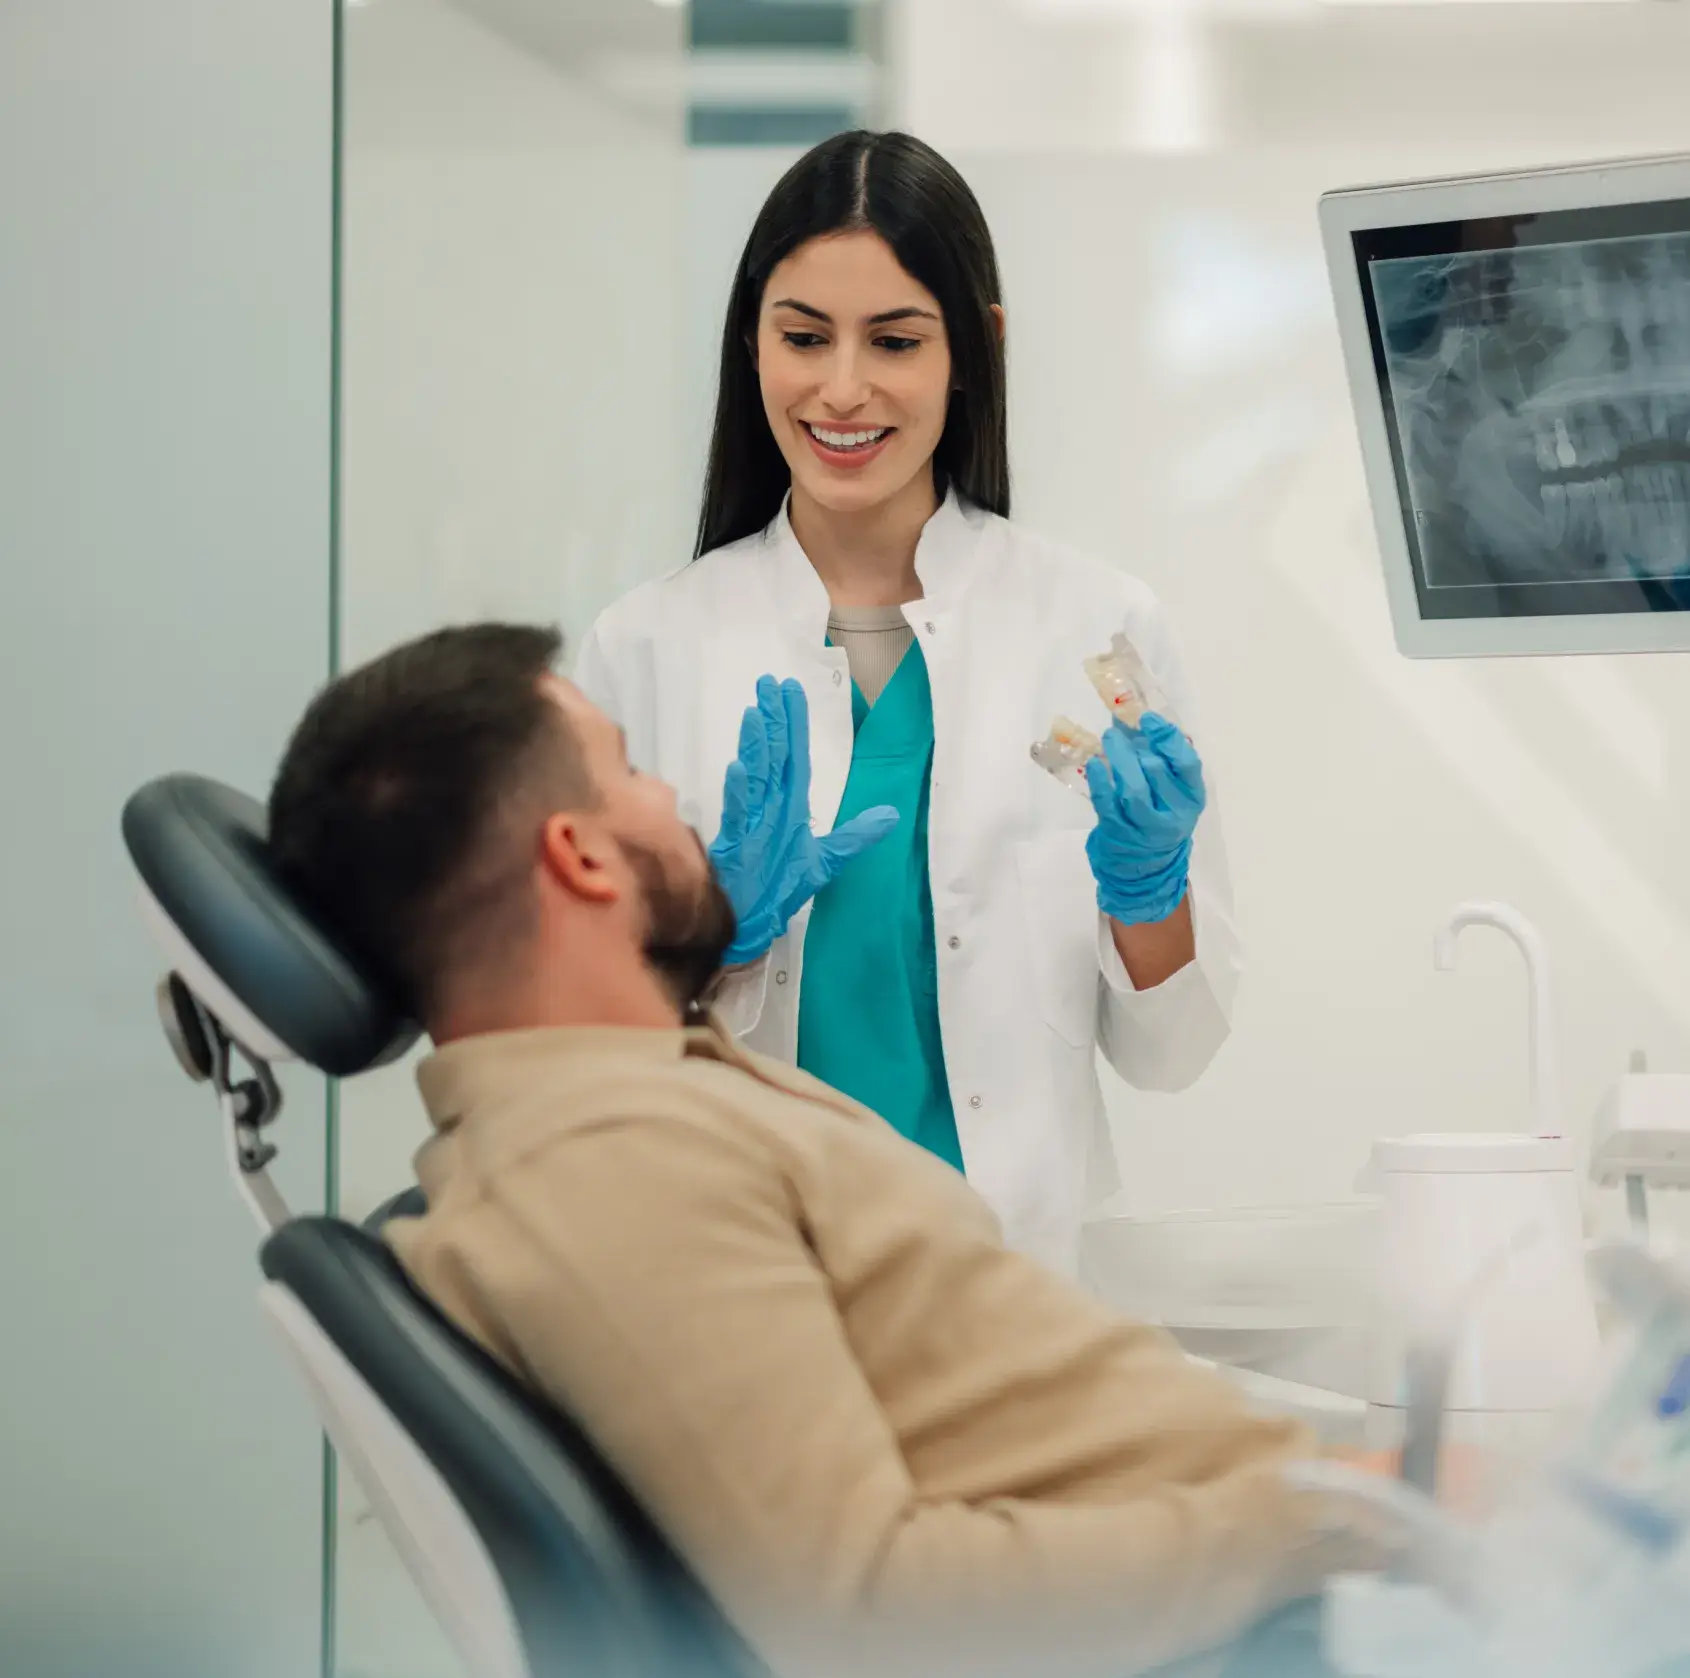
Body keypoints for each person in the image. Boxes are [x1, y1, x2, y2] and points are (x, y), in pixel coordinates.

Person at [268, 624, 1373, 1678]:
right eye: (631, 772)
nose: (674, 802)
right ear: (581, 856)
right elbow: (868, 1617)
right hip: (1256, 1626)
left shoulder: (628, 1104)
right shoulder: (609, 1170)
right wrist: (1349, 1506)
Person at [574, 130, 1240, 1276]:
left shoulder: (1091, 623)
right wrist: (709, 947)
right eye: (801, 337)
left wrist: (1149, 889)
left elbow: (1172, 1051)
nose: (842, 387)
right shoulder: (645, 647)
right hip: (741, 1268)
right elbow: (576, 1052)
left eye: (893, 339)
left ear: (970, 352)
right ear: (750, 344)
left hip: (1006, 1284)